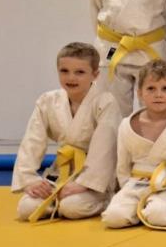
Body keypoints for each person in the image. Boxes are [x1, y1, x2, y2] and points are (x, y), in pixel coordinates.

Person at [14, 43, 121, 222]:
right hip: (61, 170)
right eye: (64, 71)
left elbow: (105, 147)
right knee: (27, 208)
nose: (71, 78)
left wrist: (83, 183)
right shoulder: (48, 101)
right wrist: (30, 180)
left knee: (72, 207)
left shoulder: (105, 102)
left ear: (95, 74)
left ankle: (106, 199)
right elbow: (32, 142)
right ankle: (57, 202)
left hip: (95, 177)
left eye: (80, 72)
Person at [102, 60, 166, 231]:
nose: (158, 94)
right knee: (113, 217)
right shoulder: (127, 125)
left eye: (165, 89)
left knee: (159, 215)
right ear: (139, 93)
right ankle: (138, 208)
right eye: (151, 89)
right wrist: (126, 187)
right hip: (136, 183)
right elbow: (123, 165)